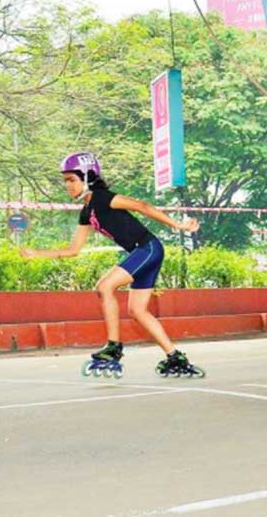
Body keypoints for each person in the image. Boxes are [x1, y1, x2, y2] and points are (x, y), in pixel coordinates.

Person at [21, 152, 202, 378]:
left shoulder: (102, 198)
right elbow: (73, 250)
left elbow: (141, 206)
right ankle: (175, 357)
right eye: (65, 180)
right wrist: (37, 254)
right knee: (137, 311)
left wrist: (179, 225)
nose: (67, 185)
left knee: (105, 286)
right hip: (143, 252)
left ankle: (114, 347)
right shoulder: (87, 212)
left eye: (72, 179)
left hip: (148, 248)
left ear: (87, 177)